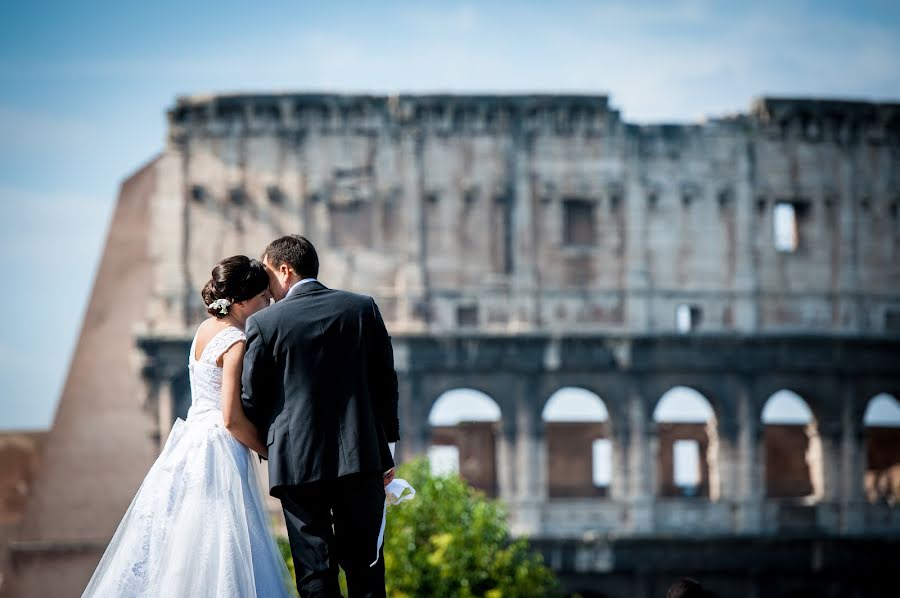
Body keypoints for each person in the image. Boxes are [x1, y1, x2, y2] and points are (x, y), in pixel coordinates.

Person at [82, 256, 294, 597]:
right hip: (220, 445)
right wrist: (267, 450)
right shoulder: (236, 341)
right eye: (263, 299)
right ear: (241, 301)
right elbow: (231, 417)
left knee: (188, 537)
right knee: (223, 538)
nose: (268, 304)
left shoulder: (203, 331)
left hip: (191, 439)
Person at [242, 235, 400, 598]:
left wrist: (273, 443)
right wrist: (386, 449)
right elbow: (385, 382)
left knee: (314, 574)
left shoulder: (264, 324)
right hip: (362, 458)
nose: (265, 285)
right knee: (367, 568)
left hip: (296, 467)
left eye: (267, 273)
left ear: (285, 270)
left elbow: (252, 399)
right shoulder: (363, 308)